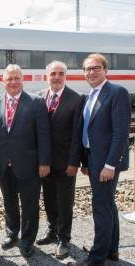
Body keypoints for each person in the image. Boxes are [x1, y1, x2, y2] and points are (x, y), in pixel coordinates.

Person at [67, 54, 131, 266]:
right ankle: (111, 249)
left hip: (106, 162)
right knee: (108, 204)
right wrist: (86, 161)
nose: (91, 72)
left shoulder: (117, 92)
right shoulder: (90, 95)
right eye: (87, 69)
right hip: (94, 160)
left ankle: (96, 258)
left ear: (105, 70)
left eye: (95, 68)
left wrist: (110, 165)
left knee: (101, 207)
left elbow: (120, 133)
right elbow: (89, 131)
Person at [0, 64, 51, 258]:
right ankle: (11, 233)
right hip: (3, 166)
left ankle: (27, 240)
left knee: (30, 205)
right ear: (3, 81)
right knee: (9, 202)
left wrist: (44, 162)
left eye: (17, 78)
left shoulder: (36, 102)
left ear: (22, 80)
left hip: (29, 165)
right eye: (9, 78)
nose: (13, 82)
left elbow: (43, 135)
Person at [36, 61, 83, 259]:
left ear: (66, 76)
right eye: (53, 73)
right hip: (45, 162)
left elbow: (77, 134)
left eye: (60, 73)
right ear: (47, 76)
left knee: (65, 202)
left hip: (66, 163)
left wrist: (74, 163)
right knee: (48, 199)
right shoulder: (39, 97)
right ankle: (52, 230)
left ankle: (64, 238)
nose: (56, 77)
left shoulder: (76, 99)